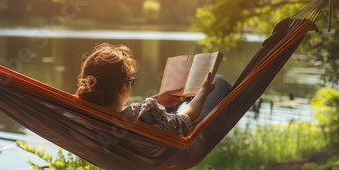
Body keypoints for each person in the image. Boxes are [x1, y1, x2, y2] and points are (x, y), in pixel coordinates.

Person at [75, 43, 231, 136]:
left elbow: (123, 117)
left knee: (180, 102)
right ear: (123, 89)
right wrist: (203, 91)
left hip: (141, 150)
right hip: (179, 138)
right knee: (219, 81)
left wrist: (156, 100)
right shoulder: (148, 111)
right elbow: (184, 119)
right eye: (131, 81)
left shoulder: (84, 116)